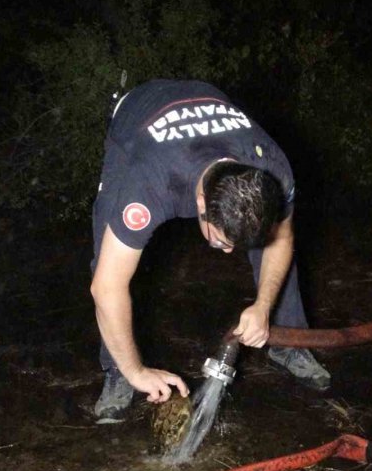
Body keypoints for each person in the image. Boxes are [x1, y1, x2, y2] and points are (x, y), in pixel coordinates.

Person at [90, 79, 331, 422]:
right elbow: (106, 288)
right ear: (199, 202)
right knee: (108, 258)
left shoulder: (273, 168)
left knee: (274, 243)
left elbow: (282, 239)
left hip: (208, 103)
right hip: (137, 120)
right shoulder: (148, 185)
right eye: (220, 240)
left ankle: (288, 340)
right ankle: (118, 370)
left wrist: (263, 306)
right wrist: (138, 370)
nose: (227, 252)